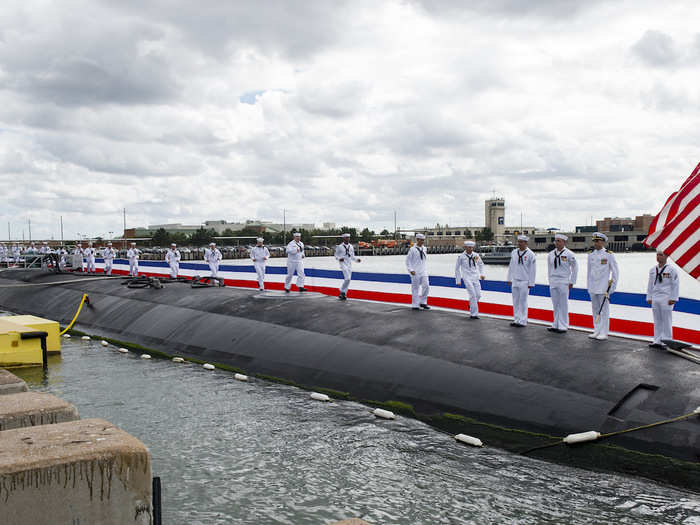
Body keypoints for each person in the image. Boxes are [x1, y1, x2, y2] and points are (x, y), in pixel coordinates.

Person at [587, 232, 619, 341]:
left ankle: (604, 332)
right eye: (594, 241)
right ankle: (597, 330)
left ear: (603, 242)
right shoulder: (591, 255)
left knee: (604, 310)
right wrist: (588, 286)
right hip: (593, 287)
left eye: (598, 241)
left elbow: (615, 272)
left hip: (603, 287)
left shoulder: (609, 254)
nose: (595, 243)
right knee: (595, 309)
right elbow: (589, 272)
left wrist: (612, 288)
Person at [646, 250, 679, 349]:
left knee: (666, 320)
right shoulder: (653, 270)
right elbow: (650, 284)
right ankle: (657, 340)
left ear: (666, 257)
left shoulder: (671, 270)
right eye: (657, 255)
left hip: (666, 298)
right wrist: (649, 296)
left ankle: (667, 341)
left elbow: (675, 285)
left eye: (661, 255)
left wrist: (673, 298)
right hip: (655, 297)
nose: (658, 257)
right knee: (657, 320)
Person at [547, 233, 578, 333]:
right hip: (553, 281)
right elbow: (549, 268)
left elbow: (575, 268)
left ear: (564, 242)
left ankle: (563, 325)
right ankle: (555, 324)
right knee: (555, 304)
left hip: (563, 281)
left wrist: (572, 281)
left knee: (563, 304)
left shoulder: (569, 254)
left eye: (559, 241)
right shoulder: (551, 254)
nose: (557, 243)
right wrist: (550, 280)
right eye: (556, 241)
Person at [507, 235, 536, 327]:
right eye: (518, 241)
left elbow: (533, 270)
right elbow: (511, 266)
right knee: (515, 300)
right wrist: (509, 278)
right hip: (515, 280)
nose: (519, 243)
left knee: (523, 301)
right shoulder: (514, 252)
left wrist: (531, 282)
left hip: (525, 281)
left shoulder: (531, 254)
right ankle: (516, 319)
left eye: (521, 242)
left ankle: (523, 320)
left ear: (526, 243)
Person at [455, 240, 485, 319]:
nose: (471, 249)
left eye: (472, 247)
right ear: (465, 247)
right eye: (469, 247)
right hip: (467, 277)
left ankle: (471, 304)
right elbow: (457, 269)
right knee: (472, 294)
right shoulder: (461, 257)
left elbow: (481, 264)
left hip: (475, 277)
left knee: (478, 295)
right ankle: (474, 314)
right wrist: (458, 280)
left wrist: (482, 274)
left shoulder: (475, 255)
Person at [406, 233, 430, 310]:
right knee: (415, 288)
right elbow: (408, 261)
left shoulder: (424, 248)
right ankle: (415, 304)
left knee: (426, 286)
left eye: (423, 240)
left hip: (423, 271)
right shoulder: (412, 249)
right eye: (421, 240)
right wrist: (411, 270)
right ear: (417, 240)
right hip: (415, 271)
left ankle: (423, 302)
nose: (423, 241)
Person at [335, 233, 361, 300]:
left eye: (348, 237)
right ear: (343, 238)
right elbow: (336, 255)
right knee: (347, 278)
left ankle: (343, 294)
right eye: (346, 237)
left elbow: (352, 256)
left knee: (349, 280)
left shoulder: (351, 246)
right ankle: (342, 290)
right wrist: (339, 258)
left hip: (349, 264)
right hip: (343, 264)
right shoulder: (340, 246)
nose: (348, 239)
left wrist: (356, 260)